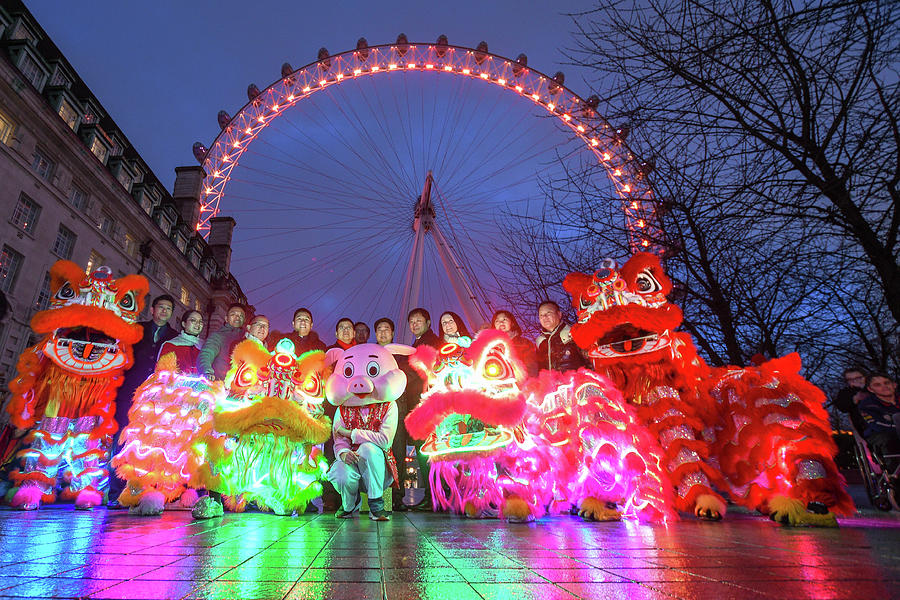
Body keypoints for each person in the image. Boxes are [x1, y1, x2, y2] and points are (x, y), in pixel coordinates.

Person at [109, 294, 178, 505]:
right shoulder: (136, 330)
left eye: (168, 308)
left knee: (151, 444)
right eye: (161, 307)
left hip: (157, 399)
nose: (164, 311)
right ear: (152, 309)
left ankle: (143, 491)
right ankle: (115, 492)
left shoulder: (175, 337)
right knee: (121, 440)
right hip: (129, 391)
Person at [404, 308, 441, 510]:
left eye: (419, 320)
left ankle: (435, 497)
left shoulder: (431, 343)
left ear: (428, 322)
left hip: (427, 405)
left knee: (429, 452)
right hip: (420, 404)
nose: (415, 324)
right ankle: (435, 496)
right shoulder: (417, 344)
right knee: (425, 451)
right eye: (412, 321)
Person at [857, 373, 900, 474]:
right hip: (881, 434)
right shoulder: (867, 405)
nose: (884, 386)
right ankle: (894, 475)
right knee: (888, 439)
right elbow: (877, 425)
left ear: (894, 385)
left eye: (887, 383)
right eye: (878, 385)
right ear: (871, 389)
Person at [197, 303, 247, 381]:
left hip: (242, 386)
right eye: (233, 314)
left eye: (241, 315)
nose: (237, 317)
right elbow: (206, 354)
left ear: (244, 320)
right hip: (220, 384)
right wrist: (207, 371)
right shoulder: (217, 336)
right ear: (226, 318)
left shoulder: (246, 339)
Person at [535, 300, 587, 372]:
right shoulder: (540, 342)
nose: (544, 317)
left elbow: (590, 361)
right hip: (550, 382)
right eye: (541, 315)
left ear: (559, 315)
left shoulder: (573, 333)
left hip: (576, 381)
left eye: (549, 313)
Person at [491, 309, 538, 376]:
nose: (501, 323)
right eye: (497, 321)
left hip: (519, 383)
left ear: (512, 323)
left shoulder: (524, 343)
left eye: (504, 319)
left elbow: (532, 368)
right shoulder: (491, 346)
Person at [157, 310, 204, 374]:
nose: (198, 324)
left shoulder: (206, 346)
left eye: (200, 321)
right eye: (193, 320)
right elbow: (162, 373)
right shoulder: (170, 345)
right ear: (184, 324)